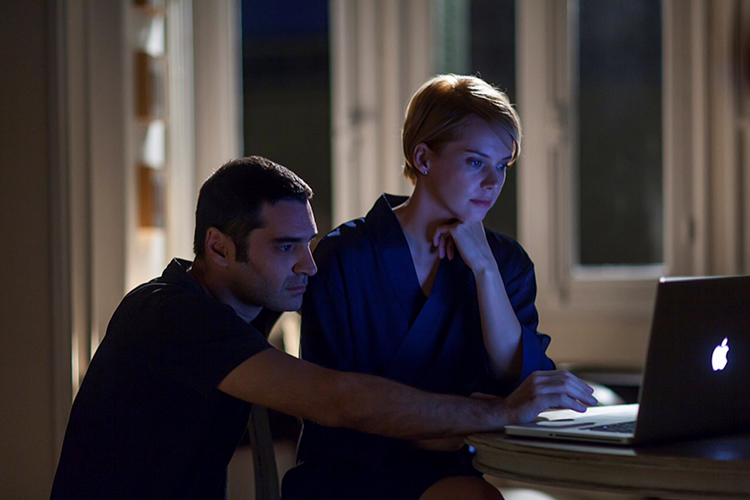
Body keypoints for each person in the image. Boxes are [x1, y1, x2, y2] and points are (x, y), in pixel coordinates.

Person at [51, 156, 595, 500]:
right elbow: (337, 400)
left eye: (309, 244)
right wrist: (500, 412)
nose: (309, 265)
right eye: (286, 247)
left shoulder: (241, 303)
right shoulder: (169, 314)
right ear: (217, 247)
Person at [283, 74, 563, 499]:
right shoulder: (345, 255)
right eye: (476, 162)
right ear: (423, 157)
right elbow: (334, 405)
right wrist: (450, 427)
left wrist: (484, 268)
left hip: (448, 472)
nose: (493, 182)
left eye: (502, 166)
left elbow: (517, 380)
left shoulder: (506, 263)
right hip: (347, 473)